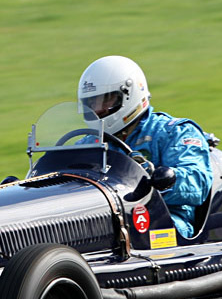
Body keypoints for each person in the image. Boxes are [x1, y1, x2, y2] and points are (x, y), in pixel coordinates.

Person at [77, 55, 213, 239]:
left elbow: (198, 184)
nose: (97, 110)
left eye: (105, 100)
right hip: (104, 221)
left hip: (166, 220)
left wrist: (164, 179)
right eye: (92, 103)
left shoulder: (173, 132)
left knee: (142, 235)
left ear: (129, 95)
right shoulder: (87, 144)